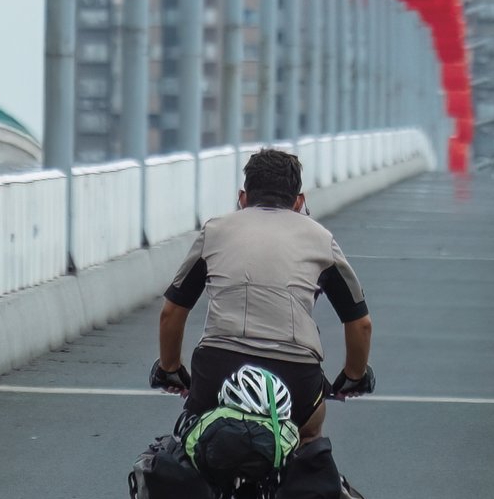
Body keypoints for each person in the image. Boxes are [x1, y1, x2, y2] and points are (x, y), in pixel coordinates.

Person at [150, 146, 373, 439]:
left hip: (219, 369)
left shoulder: (215, 231)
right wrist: (354, 376)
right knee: (308, 434)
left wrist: (169, 368)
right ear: (299, 202)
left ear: (242, 198)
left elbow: (171, 313)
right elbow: (360, 323)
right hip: (294, 375)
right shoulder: (321, 239)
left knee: (195, 442)